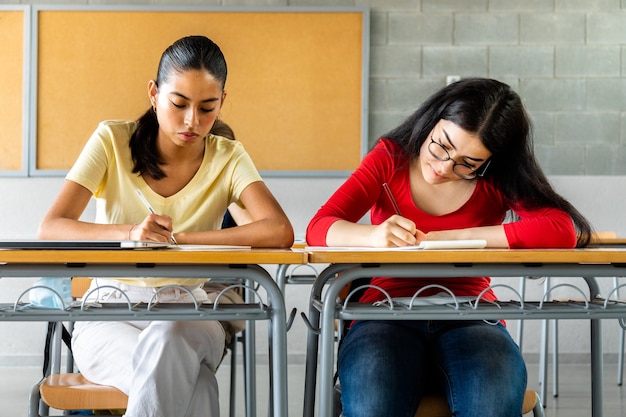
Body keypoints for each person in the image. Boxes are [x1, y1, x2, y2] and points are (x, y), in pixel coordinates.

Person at [38, 35, 294, 417]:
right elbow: (51, 227)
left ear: (223, 101)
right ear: (154, 94)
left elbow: (278, 231)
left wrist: (181, 240)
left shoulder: (229, 157)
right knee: (196, 385)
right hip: (108, 312)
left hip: (190, 311)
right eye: (179, 104)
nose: (192, 121)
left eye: (207, 108)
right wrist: (129, 233)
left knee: (174, 336)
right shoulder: (111, 140)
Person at [306, 78, 593, 417]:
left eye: (466, 164)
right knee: (372, 405)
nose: (443, 168)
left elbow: (561, 230)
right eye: (440, 146)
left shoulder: (496, 176)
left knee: (493, 402)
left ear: (488, 162)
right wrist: (373, 237)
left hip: (471, 313)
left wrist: (455, 238)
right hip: (383, 313)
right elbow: (319, 227)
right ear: (432, 121)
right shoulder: (390, 157)